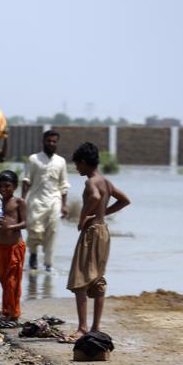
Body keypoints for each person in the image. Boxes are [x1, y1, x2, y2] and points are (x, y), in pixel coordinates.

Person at [65, 141, 131, 339]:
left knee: (80, 281)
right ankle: (95, 327)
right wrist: (102, 213)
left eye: (77, 164)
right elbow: (125, 200)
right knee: (98, 278)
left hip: (92, 232)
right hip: (103, 230)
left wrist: (84, 216)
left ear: (85, 162)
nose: (76, 168)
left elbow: (93, 197)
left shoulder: (91, 182)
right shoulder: (106, 182)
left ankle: (83, 327)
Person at [22, 130, 70, 271]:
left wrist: (65, 205)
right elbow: (26, 181)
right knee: (34, 231)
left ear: (57, 143)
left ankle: (48, 264)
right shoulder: (33, 159)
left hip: (55, 201)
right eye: (48, 141)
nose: (51, 143)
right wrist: (22, 201)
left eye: (54, 141)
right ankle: (33, 255)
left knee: (52, 231)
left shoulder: (61, 161)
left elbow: (63, 184)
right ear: (43, 141)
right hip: (36, 201)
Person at [0, 170, 27, 320]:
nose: (3, 189)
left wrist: (10, 227)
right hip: (1, 247)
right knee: (2, 278)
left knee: (12, 281)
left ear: (14, 186)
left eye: (7, 186)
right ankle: (6, 310)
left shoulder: (19, 202)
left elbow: (25, 223)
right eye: (0, 186)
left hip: (15, 247)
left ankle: (14, 312)